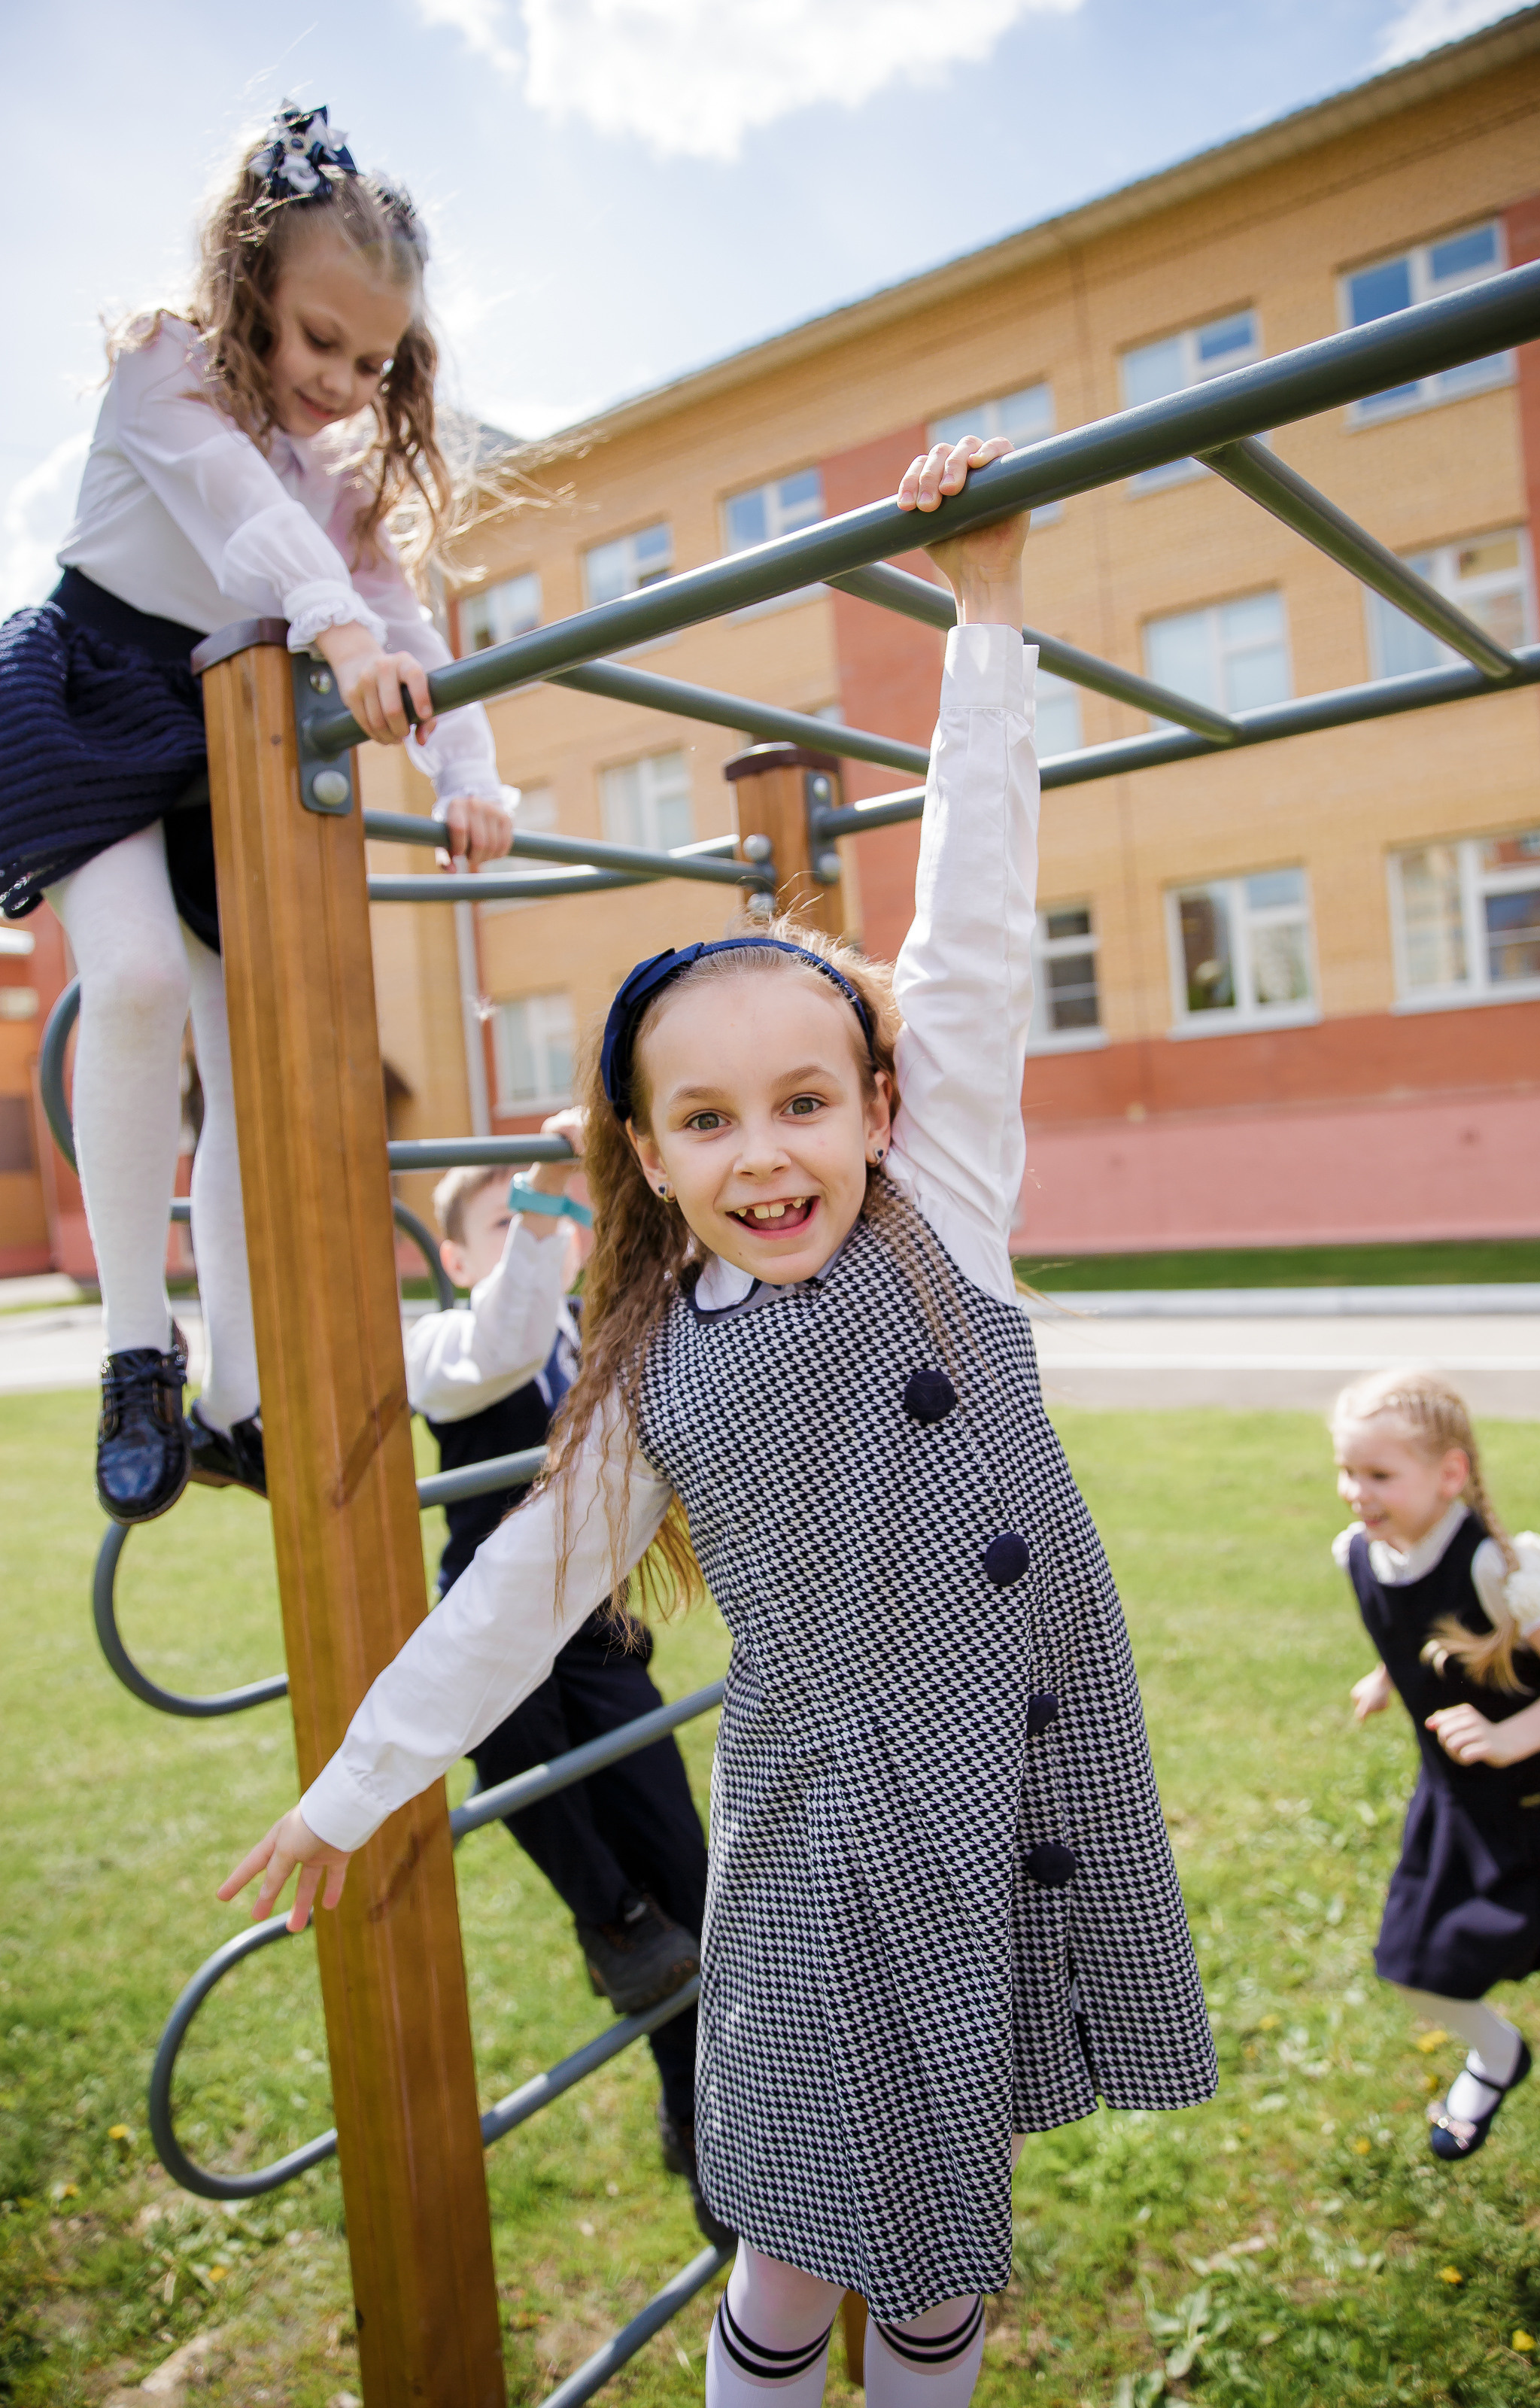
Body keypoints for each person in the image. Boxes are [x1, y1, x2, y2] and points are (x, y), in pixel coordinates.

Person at [222, 435, 1216, 2408]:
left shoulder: (942, 1206)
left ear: (873, 1104)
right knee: (786, 2248)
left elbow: (977, 937)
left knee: (937, 2250)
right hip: (832, 1827)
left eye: (800, 1101)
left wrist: (992, 622)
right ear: (645, 1158)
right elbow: (512, 1600)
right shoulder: (648, 1366)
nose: (764, 1154)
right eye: (705, 1121)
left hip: (1010, 1759)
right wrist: (354, 1784)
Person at [0, 102, 514, 1526]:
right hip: (101, 693)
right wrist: (337, 631)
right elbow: (239, 517)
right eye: (315, 341)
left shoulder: (334, 486)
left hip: (225, 739)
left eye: (372, 359)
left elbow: (414, 619)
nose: (341, 382)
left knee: (247, 1058)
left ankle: (234, 1392)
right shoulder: (166, 369)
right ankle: (130, 1344)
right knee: (144, 983)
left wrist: (467, 774)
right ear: (247, 290)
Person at [407, 1130, 721, 2239]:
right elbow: (498, 1340)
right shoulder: (445, 1338)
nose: (536, 1238)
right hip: (496, 1613)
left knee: (689, 1875)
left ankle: (699, 2110)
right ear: (452, 1255)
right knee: (511, 1736)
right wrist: (545, 1203)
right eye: (505, 1222)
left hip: (594, 1624)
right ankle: (610, 1914)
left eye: (550, 1219)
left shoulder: (585, 1330)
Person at [1332, 1366, 1540, 2161]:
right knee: (1415, 1964)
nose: (1357, 1490)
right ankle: (1498, 2055)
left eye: (1379, 1473)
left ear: (1450, 1472)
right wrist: (1388, 1674)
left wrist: (1510, 1738)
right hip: (1458, 1805)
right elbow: (1415, 1630)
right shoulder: (1360, 1552)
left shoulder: (1498, 1566)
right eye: (1348, 1470)